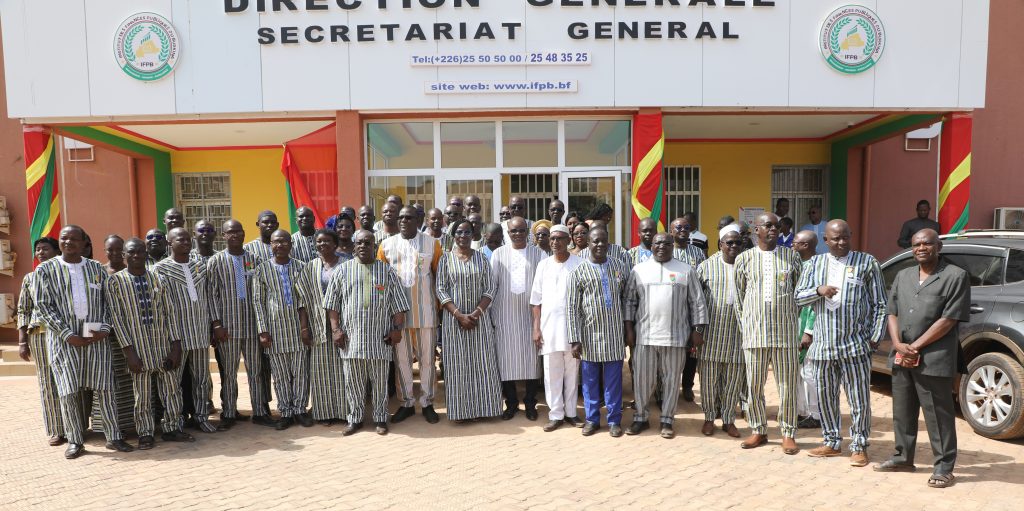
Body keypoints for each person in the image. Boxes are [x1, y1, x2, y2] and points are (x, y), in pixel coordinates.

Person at [875, 229, 968, 488]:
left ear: (939, 246)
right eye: (916, 244)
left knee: (938, 415)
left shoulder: (955, 276)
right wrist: (897, 344)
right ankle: (902, 457)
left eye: (927, 243)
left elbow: (949, 318)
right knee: (902, 410)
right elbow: (892, 312)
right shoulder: (903, 275)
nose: (921, 248)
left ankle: (944, 467)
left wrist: (915, 346)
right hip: (902, 354)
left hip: (934, 357)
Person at [34, 225, 133, 458]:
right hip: (64, 342)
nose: (68, 242)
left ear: (83, 243)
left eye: (74, 239)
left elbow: (109, 302)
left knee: (105, 388)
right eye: (64, 238)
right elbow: (43, 307)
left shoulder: (96, 268)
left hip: (96, 340)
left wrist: (104, 330)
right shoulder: (45, 270)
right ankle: (75, 440)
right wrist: (68, 335)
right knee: (68, 391)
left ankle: (113, 437)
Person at [795, 220, 887, 467]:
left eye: (845, 237)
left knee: (859, 399)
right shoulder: (815, 264)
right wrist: (819, 290)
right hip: (823, 345)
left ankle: (859, 445)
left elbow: (880, 304)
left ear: (851, 236)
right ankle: (831, 442)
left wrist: (875, 337)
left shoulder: (867, 263)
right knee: (826, 397)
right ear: (826, 240)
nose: (841, 242)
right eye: (835, 239)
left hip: (855, 346)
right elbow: (798, 297)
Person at [106, 238, 195, 449]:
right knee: (142, 394)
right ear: (124, 256)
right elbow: (117, 319)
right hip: (138, 348)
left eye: (140, 252)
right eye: (131, 252)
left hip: (163, 345)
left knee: (172, 390)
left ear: (146, 254)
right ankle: (145, 433)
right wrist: (129, 352)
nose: (136, 255)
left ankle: (172, 428)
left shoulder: (158, 278)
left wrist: (176, 346)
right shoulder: (115, 282)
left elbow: (170, 312)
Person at [325, 230, 410, 435]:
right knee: (353, 383)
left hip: (379, 339)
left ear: (375, 246)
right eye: (359, 243)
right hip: (351, 340)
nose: (363, 246)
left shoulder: (387, 272)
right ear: (354, 246)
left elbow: (398, 305)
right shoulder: (342, 271)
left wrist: (397, 329)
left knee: (380, 383)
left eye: (368, 243)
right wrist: (335, 330)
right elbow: (332, 305)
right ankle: (354, 419)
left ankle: (380, 418)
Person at [625, 232, 708, 439]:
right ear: (651, 245)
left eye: (666, 243)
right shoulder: (639, 270)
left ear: (673, 246)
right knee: (643, 380)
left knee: (671, 380)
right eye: (658, 243)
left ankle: (667, 420)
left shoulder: (686, 270)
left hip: (676, 337)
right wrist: (629, 329)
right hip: (645, 336)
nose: (662, 246)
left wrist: (698, 330)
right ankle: (641, 418)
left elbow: (697, 302)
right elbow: (629, 302)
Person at [734, 213, 802, 455]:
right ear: (757, 230)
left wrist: (793, 322)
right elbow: (739, 299)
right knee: (753, 385)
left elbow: (799, 294)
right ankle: (758, 429)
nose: (774, 229)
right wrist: (747, 327)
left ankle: (788, 432)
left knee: (788, 385)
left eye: (777, 226)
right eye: (768, 225)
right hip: (755, 333)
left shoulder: (791, 257)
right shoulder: (744, 259)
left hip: (785, 334)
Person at [378, 206, 443, 425]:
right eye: (401, 218)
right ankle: (406, 403)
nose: (404, 221)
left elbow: (439, 277)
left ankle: (427, 403)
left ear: (418, 220)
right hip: (397, 317)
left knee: (427, 361)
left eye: (409, 217)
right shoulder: (386, 245)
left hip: (426, 314)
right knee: (402, 362)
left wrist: (440, 309)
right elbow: (381, 281)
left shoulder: (432, 244)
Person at [207, 220, 275, 429]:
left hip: (252, 326)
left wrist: (263, 326)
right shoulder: (216, 261)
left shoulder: (254, 259)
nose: (235, 235)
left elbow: (261, 292)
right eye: (230, 232)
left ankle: (260, 412)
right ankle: (228, 413)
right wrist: (217, 324)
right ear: (224, 235)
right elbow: (211, 295)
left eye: (238, 231)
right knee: (229, 373)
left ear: (244, 234)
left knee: (255, 371)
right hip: (228, 328)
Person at [435, 221, 503, 423]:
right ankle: (461, 412)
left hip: (479, 321)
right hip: (453, 322)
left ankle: (485, 409)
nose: (463, 235)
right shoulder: (445, 259)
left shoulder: (481, 258)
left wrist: (476, 313)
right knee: (458, 366)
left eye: (467, 232)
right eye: (459, 232)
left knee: (482, 364)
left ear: (473, 235)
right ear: (453, 235)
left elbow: (490, 288)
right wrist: (459, 315)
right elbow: (440, 290)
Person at [154, 228, 218, 434]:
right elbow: (161, 306)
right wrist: (170, 337)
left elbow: (209, 297)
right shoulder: (160, 269)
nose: (185, 242)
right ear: (169, 243)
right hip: (177, 337)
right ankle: (174, 422)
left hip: (199, 332)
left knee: (201, 379)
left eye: (187, 239)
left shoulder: (199, 266)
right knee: (174, 381)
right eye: (179, 239)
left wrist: (213, 325)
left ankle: (201, 417)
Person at [567, 227, 629, 438]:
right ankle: (592, 419)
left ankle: (614, 420)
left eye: (604, 241)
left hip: (614, 334)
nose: (600, 245)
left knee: (613, 381)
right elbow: (572, 308)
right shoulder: (578, 272)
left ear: (608, 243)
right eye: (595, 241)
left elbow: (627, 299)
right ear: (588, 243)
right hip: (589, 335)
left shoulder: (619, 267)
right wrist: (574, 339)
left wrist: (627, 329)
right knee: (590, 382)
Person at [253, 230, 312, 430]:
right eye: (276, 242)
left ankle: (300, 410)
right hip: (274, 330)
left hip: (297, 329)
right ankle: (286, 412)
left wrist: (305, 328)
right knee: (280, 375)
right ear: (270, 245)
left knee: (301, 372)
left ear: (291, 244)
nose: (280, 245)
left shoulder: (301, 267)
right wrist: (263, 331)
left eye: (284, 241)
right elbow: (258, 302)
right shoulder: (262, 270)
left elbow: (304, 300)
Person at [490, 217, 546, 421]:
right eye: (514, 231)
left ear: (528, 232)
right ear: (508, 233)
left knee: (532, 361)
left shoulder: (539, 254)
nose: (518, 234)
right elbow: (492, 286)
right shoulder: (498, 254)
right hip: (504, 316)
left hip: (531, 316)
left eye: (522, 230)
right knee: (505, 361)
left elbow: (543, 287)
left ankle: (530, 403)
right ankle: (511, 403)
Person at [530, 225, 584, 432]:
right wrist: (536, 328)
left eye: (560, 238)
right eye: (552, 239)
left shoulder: (579, 264)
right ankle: (555, 414)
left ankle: (571, 412)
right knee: (551, 374)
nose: (555, 242)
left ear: (568, 240)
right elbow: (536, 300)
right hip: (549, 329)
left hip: (573, 330)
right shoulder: (543, 265)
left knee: (571, 373)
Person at [696, 226, 747, 439]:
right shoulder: (706, 267)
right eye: (729, 242)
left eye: (737, 242)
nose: (734, 246)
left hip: (738, 333)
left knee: (733, 380)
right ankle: (709, 418)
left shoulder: (747, 265)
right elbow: (696, 301)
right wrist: (696, 330)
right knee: (708, 380)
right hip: (712, 333)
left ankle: (728, 419)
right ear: (720, 245)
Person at [296, 229, 349, 426]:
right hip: (318, 324)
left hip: (343, 324)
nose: (322, 244)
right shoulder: (310, 267)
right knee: (321, 371)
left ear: (335, 244)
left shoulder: (347, 264)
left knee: (343, 369)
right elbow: (302, 300)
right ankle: (325, 412)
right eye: (319, 241)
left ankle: (345, 411)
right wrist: (304, 328)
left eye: (327, 241)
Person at [17, 237, 65, 446]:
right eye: (38, 250)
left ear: (57, 251)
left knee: (68, 379)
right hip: (39, 335)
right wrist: (22, 341)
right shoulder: (30, 278)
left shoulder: (65, 273)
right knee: (47, 381)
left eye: (45, 248)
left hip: (64, 333)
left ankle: (76, 426)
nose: (41, 252)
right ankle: (57, 429)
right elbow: (23, 310)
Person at [670, 216, 706, 402]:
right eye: (678, 227)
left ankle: (687, 386)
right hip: (673, 309)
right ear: (671, 232)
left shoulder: (698, 253)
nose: (683, 230)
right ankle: (671, 387)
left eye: (686, 227)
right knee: (674, 350)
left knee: (691, 351)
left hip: (691, 308)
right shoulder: (667, 251)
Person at [791, 230, 823, 430]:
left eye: (795, 242)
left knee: (810, 373)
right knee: (800, 372)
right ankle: (802, 411)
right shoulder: (799, 264)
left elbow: (813, 302)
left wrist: (808, 331)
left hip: (810, 328)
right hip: (797, 325)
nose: (792, 245)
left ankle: (817, 414)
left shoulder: (817, 266)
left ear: (805, 245)